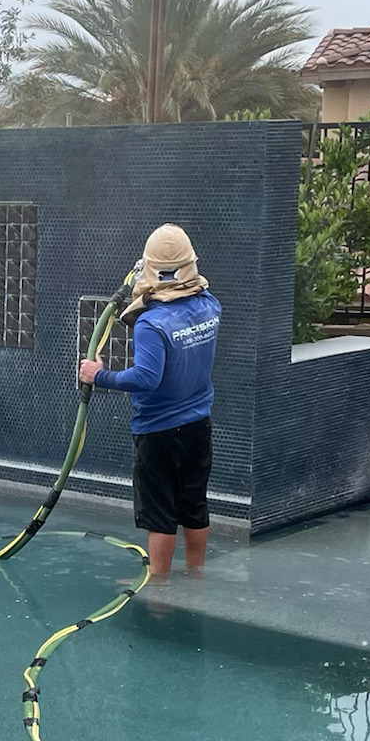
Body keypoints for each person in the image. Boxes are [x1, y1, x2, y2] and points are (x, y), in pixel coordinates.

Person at [79, 224, 221, 577]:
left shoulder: (151, 324)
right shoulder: (209, 306)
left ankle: (159, 589)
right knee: (193, 504)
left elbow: (147, 378)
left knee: (160, 513)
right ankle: (196, 574)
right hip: (198, 424)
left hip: (159, 431)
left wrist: (99, 376)